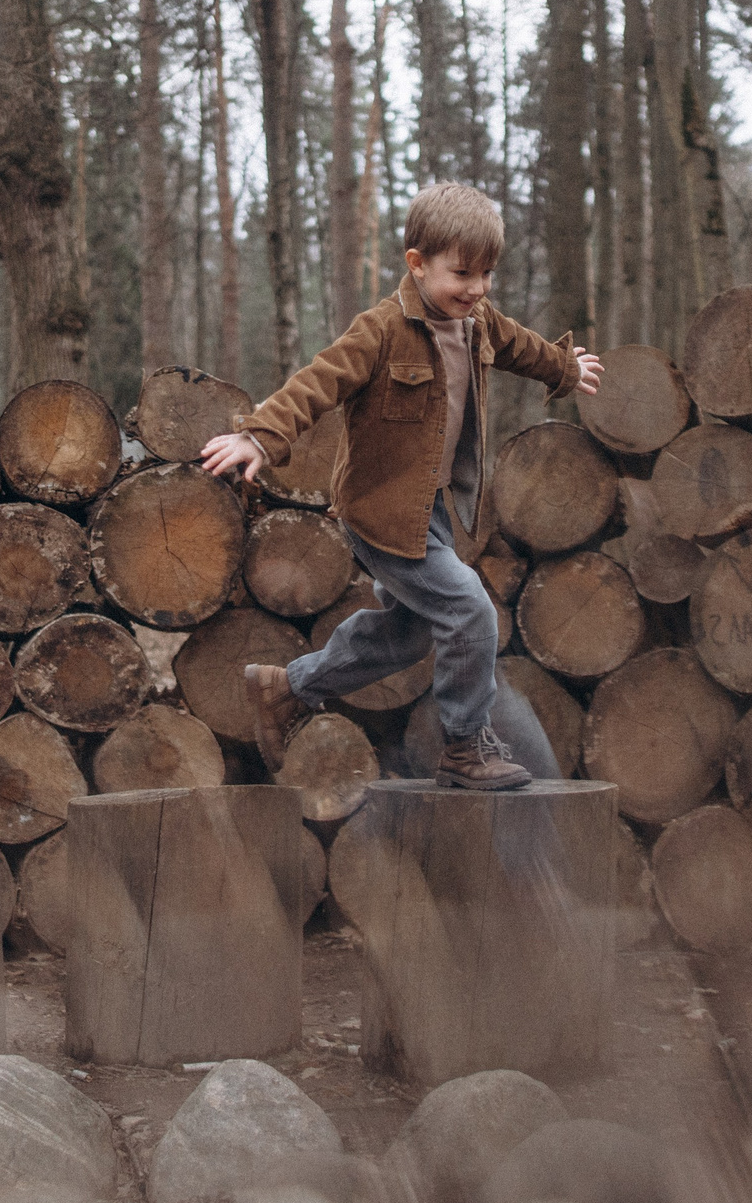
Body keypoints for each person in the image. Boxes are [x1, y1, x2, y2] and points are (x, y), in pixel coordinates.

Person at [200, 183, 604, 790]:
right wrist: (261, 436)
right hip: (382, 513)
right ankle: (466, 745)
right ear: (417, 264)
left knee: (409, 632)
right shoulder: (382, 330)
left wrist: (565, 368)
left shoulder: (478, 322)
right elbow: (318, 382)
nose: (476, 288)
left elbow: (521, 346)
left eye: (487, 273)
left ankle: (287, 688)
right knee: (469, 608)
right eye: (461, 272)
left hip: (432, 509)